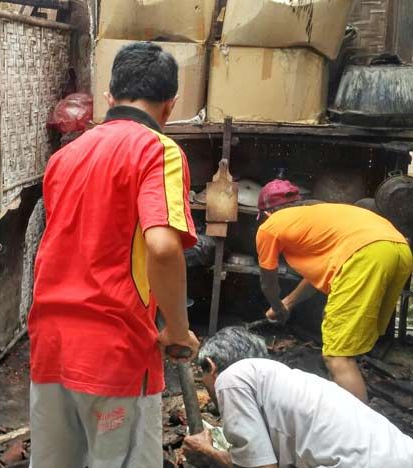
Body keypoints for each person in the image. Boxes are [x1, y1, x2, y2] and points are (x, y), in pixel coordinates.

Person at [27, 42, 199, 468]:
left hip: (51, 344)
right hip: (114, 354)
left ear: (109, 98)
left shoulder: (64, 157)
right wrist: (178, 330)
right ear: (169, 106)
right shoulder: (158, 150)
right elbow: (161, 246)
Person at [255, 179, 411, 402]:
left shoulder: (270, 226)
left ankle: (358, 430)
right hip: (398, 250)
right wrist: (288, 303)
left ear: (267, 213)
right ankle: (347, 395)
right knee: (349, 344)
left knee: (337, 356)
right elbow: (319, 274)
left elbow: (268, 283)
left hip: (367, 257)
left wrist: (277, 307)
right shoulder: (317, 216)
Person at [183, 326, 413, 468]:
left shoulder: (232, 377)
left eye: (203, 376)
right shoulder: (289, 382)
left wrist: (209, 454)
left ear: (211, 366)